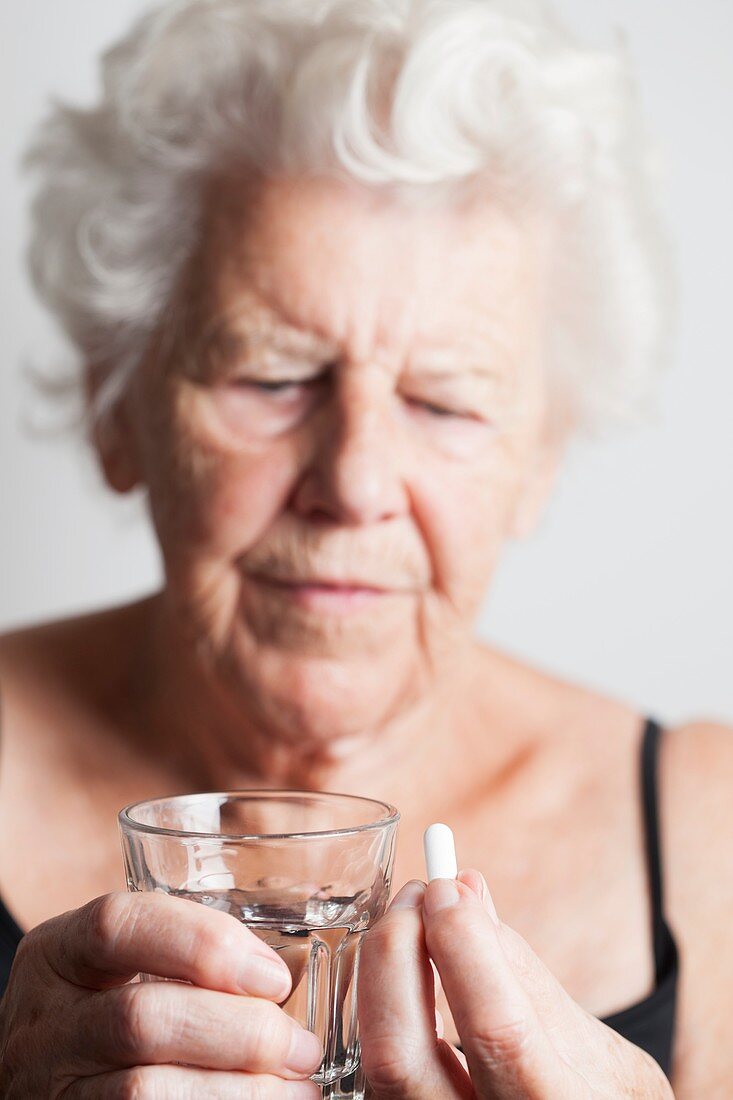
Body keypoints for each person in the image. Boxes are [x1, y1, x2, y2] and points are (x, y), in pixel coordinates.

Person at [0, 0, 730, 1096]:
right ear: (118, 409)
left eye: (445, 401)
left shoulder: (711, 830)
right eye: (271, 377)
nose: (352, 483)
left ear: (540, 458)